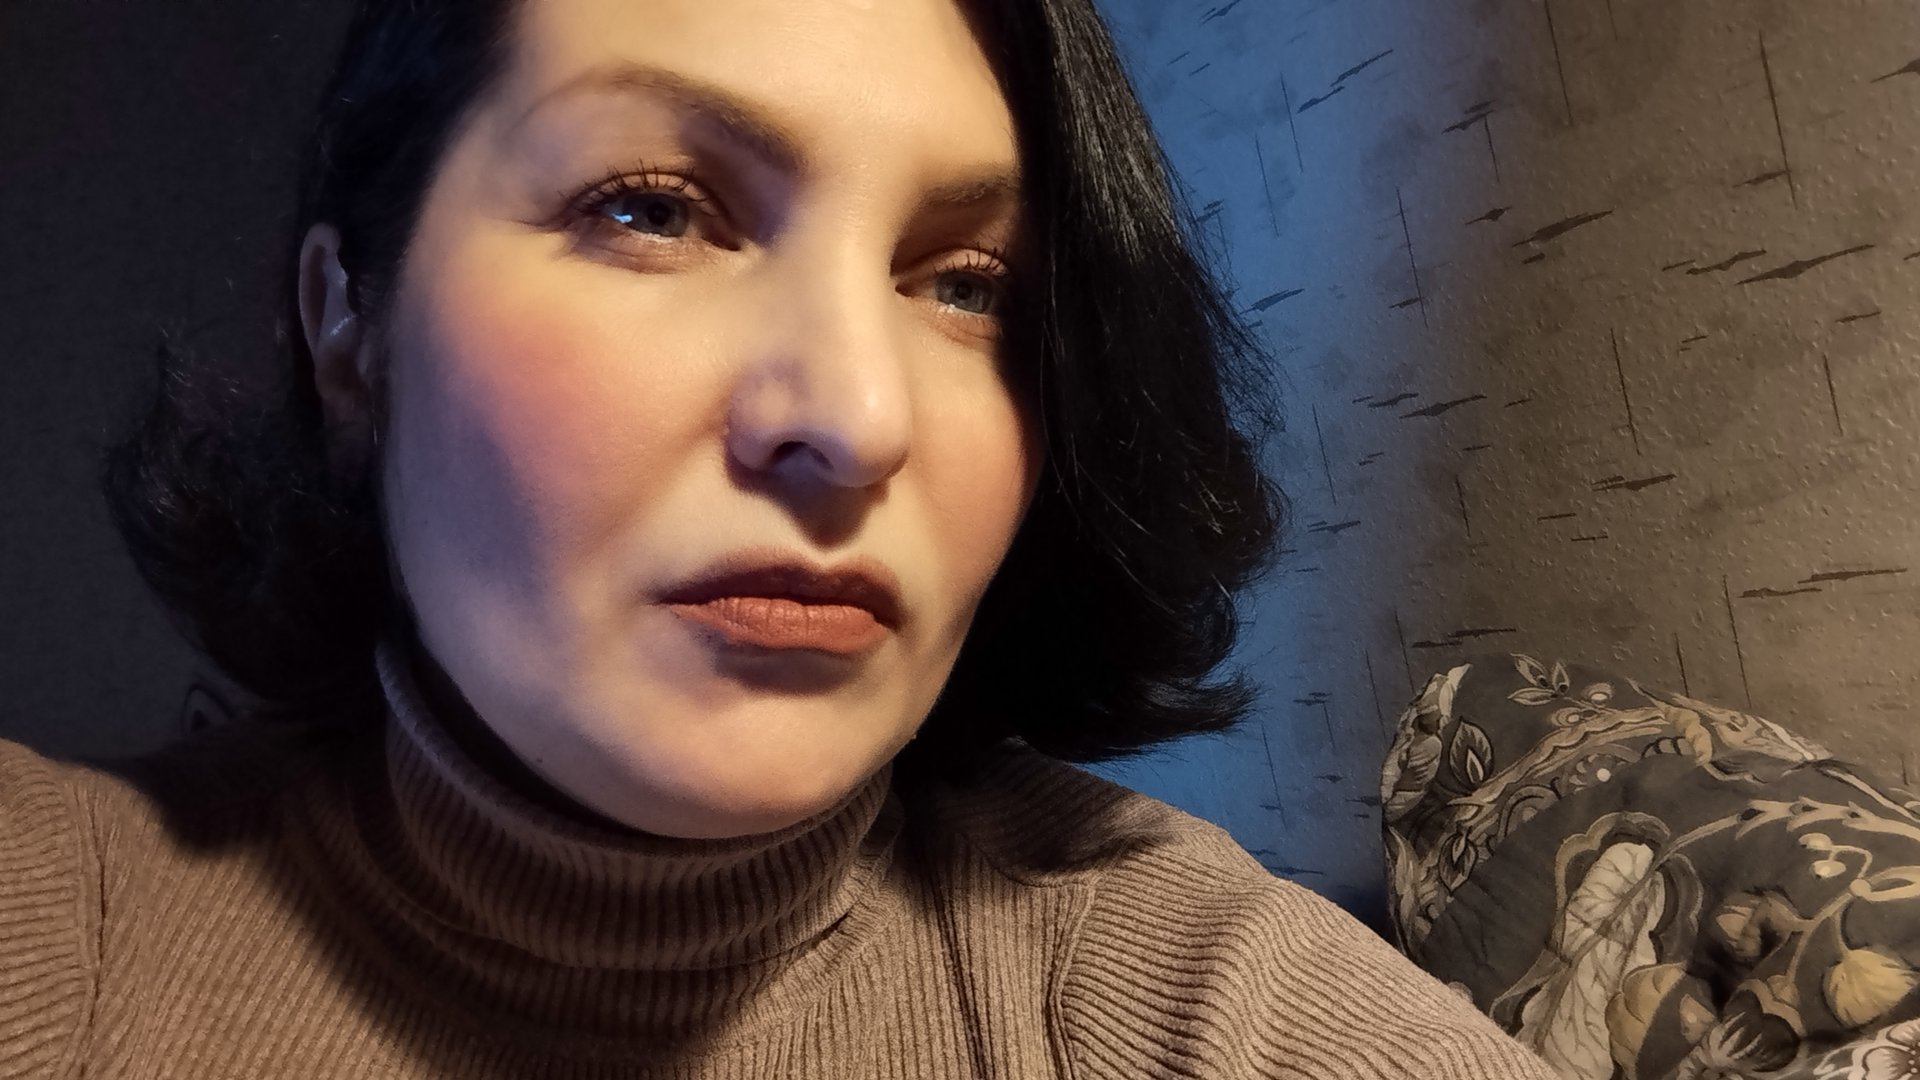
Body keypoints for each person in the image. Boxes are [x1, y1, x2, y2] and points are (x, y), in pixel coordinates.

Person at [0, 0, 1558, 1075]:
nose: (858, 417)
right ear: (350, 324)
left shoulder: (1173, 985)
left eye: (967, 284)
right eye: (653, 210)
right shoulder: (59, 922)